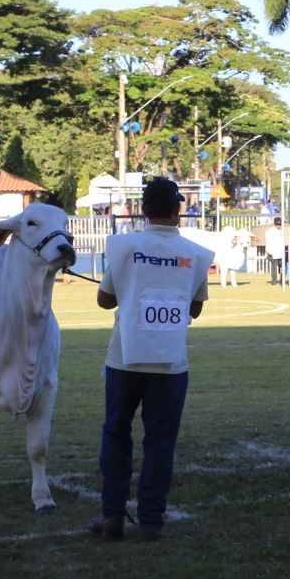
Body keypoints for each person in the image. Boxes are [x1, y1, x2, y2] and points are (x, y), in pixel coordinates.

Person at [89, 178, 214, 541]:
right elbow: (195, 308)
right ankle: (152, 521)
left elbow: (105, 300)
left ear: (143, 209)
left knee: (116, 434)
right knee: (160, 441)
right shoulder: (196, 254)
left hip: (124, 359)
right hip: (170, 363)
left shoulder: (124, 247)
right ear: (179, 209)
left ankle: (112, 516)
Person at [263, 217, 285, 285]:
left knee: (283, 266)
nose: (280, 226)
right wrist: (269, 251)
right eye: (279, 224)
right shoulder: (270, 231)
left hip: (280, 252)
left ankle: (282, 281)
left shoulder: (282, 231)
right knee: (274, 267)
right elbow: (268, 241)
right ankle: (274, 281)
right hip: (272, 252)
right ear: (276, 224)